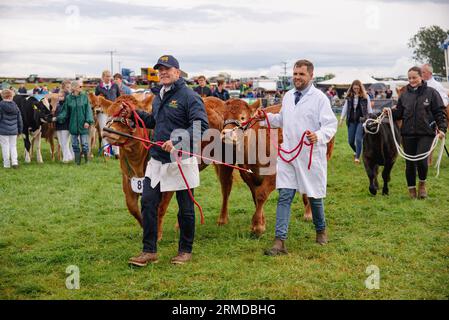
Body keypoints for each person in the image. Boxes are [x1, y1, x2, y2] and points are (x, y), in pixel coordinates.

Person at [127, 55, 209, 266]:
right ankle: (149, 251)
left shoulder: (190, 97)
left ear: (178, 72)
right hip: (157, 160)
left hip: (181, 160)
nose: (162, 72)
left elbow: (201, 126)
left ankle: (185, 250)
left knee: (186, 209)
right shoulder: (159, 96)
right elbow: (156, 121)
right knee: (147, 202)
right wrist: (135, 114)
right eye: (159, 70)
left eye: (167, 69)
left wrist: (177, 141)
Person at [256, 59, 337, 254]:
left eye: (301, 74)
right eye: (295, 74)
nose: (297, 77)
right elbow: (282, 119)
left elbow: (330, 125)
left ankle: (321, 230)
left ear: (311, 76)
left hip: (310, 154)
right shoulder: (288, 95)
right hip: (288, 154)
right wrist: (265, 118)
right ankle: (279, 241)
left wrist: (317, 135)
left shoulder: (320, 98)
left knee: (314, 196)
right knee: (285, 195)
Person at [384, 66, 447, 199]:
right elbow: (400, 113)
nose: (411, 80)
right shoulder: (404, 95)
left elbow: (439, 112)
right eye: (409, 78)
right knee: (409, 163)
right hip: (407, 133)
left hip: (426, 133)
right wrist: (390, 112)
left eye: (414, 77)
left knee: (421, 159)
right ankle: (411, 189)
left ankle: (422, 185)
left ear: (421, 77)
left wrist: (442, 128)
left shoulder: (431, 93)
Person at [56, 81, 94, 165]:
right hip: (73, 125)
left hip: (84, 125)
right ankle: (77, 162)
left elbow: (88, 110)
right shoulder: (69, 98)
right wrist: (57, 118)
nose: (81, 88)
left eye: (81, 86)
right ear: (74, 88)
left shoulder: (84, 97)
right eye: (80, 87)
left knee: (84, 144)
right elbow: (65, 111)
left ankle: (87, 161)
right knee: (75, 145)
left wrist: (88, 121)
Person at [339, 80, 372, 164]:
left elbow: (369, 109)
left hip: (361, 120)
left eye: (357, 87)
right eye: (354, 87)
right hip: (351, 121)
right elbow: (345, 108)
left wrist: (370, 119)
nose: (356, 88)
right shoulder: (349, 97)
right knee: (350, 141)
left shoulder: (365, 97)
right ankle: (357, 151)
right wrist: (341, 119)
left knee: (358, 139)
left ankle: (357, 157)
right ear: (352, 87)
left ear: (360, 87)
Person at [95, 70, 121, 157]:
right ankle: (107, 151)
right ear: (103, 77)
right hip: (102, 113)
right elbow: (96, 100)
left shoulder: (115, 86)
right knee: (104, 130)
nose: (108, 78)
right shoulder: (99, 87)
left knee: (114, 130)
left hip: (113, 112)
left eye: (110, 76)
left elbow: (118, 98)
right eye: (107, 76)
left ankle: (116, 151)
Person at [0, 89, 23, 169]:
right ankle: (14, 162)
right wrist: (20, 131)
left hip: (3, 130)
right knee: (13, 146)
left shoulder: (0, 105)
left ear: (3, 96)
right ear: (10, 96)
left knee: (5, 146)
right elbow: (19, 119)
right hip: (14, 131)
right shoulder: (15, 106)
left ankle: (6, 164)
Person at [54, 80, 74, 163]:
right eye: (67, 87)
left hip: (66, 123)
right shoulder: (59, 100)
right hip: (58, 123)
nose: (68, 89)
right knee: (61, 142)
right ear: (63, 87)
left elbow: (66, 113)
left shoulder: (69, 98)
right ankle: (68, 157)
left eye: (69, 87)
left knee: (65, 141)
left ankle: (66, 158)